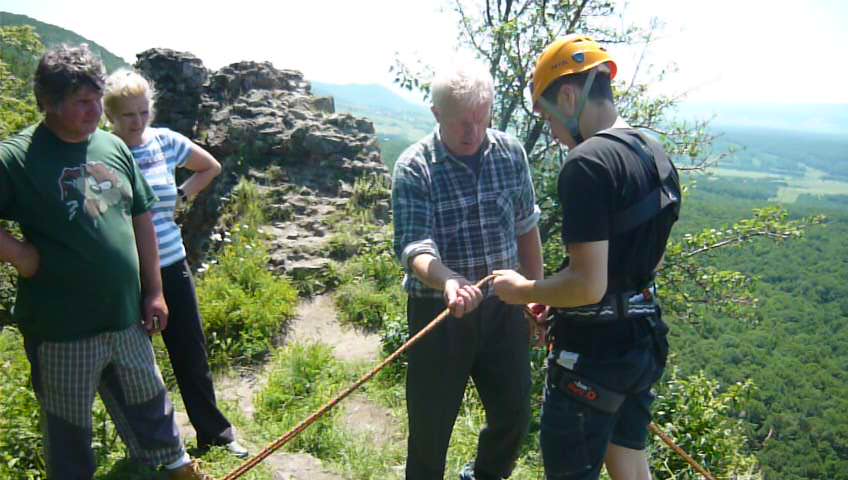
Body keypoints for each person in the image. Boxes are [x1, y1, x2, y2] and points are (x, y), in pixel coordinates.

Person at [0, 44, 211, 480]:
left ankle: (177, 471)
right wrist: (19, 255)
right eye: (82, 101)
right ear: (48, 102)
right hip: (62, 330)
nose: (96, 109)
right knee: (69, 432)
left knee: (150, 402)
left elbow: (141, 219)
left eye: (98, 97)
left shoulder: (111, 146)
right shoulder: (18, 157)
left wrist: (154, 290)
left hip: (125, 315)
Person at [492, 35, 682, 480]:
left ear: (569, 96)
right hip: (641, 344)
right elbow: (643, 266)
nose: (553, 132)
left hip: (593, 358)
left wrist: (524, 291)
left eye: (547, 115)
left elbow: (589, 284)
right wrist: (555, 294)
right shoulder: (654, 154)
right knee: (631, 464)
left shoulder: (586, 165)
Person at [391, 60, 544, 480]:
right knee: (430, 428)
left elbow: (526, 227)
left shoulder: (511, 153)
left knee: (513, 414)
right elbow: (414, 247)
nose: (473, 132)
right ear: (437, 113)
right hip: (439, 315)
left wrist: (536, 293)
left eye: (482, 119)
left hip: (503, 309)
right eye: (462, 122)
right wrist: (448, 281)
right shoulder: (415, 166)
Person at [102, 69, 248, 458]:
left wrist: (181, 197)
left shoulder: (164, 142)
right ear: (110, 117)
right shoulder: (103, 151)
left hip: (171, 262)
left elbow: (210, 166)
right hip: (126, 273)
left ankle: (214, 433)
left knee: (190, 350)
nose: (137, 122)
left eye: (143, 112)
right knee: (135, 362)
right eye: (127, 115)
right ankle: (151, 445)